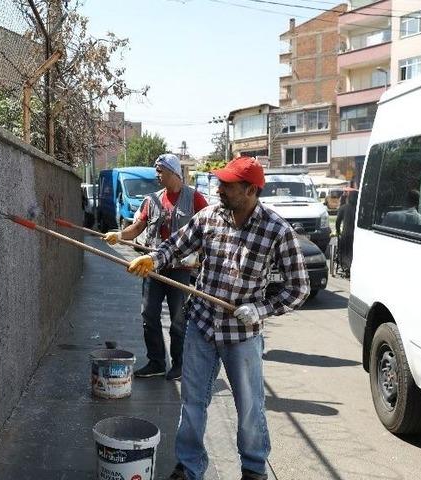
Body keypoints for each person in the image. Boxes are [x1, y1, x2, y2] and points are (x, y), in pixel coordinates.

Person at [126, 156, 309, 480]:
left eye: (228, 185)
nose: (220, 189)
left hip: (242, 336)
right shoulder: (209, 217)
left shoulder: (277, 230)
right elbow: (175, 245)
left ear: (251, 190)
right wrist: (153, 259)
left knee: (249, 410)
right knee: (193, 404)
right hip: (202, 326)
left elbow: (299, 288)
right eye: (220, 183)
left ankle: (253, 470)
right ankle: (189, 466)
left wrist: (261, 310)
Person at [103, 153, 208, 381]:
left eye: (160, 171)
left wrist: (202, 257)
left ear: (174, 172)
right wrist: (119, 235)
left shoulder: (195, 199)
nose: (157, 175)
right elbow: (137, 227)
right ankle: (156, 362)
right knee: (148, 315)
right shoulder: (152, 200)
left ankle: (179, 364)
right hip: (152, 266)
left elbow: (208, 232)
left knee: (179, 319)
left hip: (180, 269)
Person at [335, 191, 358, 276]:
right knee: (352, 252)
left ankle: (345, 266)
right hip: (355, 234)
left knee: (343, 251)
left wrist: (338, 232)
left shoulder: (343, 208)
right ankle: (350, 267)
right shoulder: (358, 209)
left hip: (345, 233)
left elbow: (337, 222)